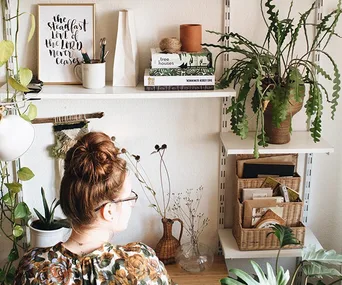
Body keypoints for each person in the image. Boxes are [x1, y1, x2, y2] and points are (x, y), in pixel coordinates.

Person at [14, 131, 171, 285]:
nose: (131, 204)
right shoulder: (142, 266)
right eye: (129, 197)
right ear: (109, 210)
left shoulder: (34, 268)